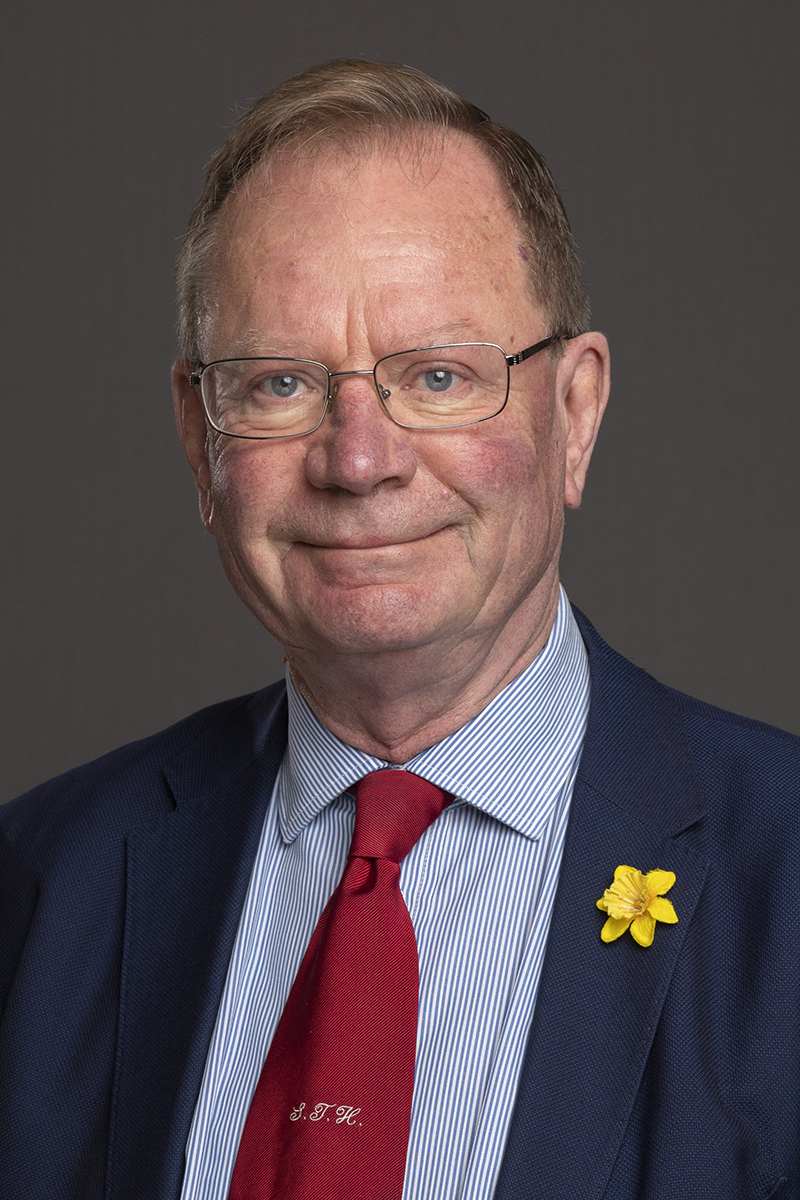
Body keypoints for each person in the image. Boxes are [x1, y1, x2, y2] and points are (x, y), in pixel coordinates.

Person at [1, 58, 799, 1200]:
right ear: (198, 438)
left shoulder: (782, 878)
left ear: (574, 413)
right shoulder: (38, 886)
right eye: (279, 384)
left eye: (437, 375)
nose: (359, 459)